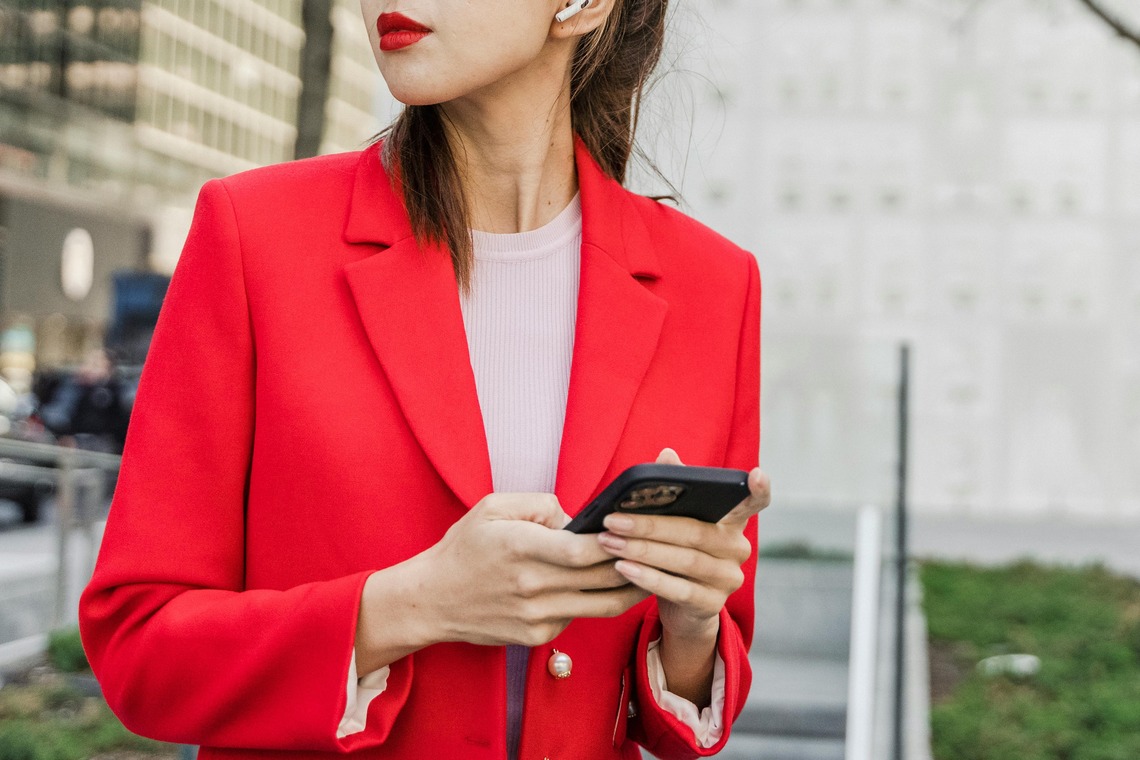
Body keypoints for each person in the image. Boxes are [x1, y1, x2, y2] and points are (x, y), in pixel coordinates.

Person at [78, 0, 769, 758]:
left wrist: (693, 623)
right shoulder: (253, 237)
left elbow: (687, 717)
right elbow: (139, 649)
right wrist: (413, 605)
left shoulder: (714, 286)